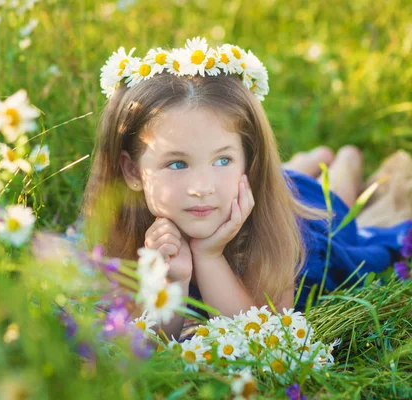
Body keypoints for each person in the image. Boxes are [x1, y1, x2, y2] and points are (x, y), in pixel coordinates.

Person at [78, 39, 412, 340]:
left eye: (222, 160)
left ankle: (346, 159)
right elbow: (149, 341)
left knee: (333, 196)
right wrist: (174, 281)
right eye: (177, 164)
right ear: (133, 170)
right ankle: (306, 160)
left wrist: (208, 256)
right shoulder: (124, 231)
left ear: (248, 160)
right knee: (290, 175)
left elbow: (263, 339)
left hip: (308, 219)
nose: (201, 188)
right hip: (252, 188)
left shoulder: (277, 231)